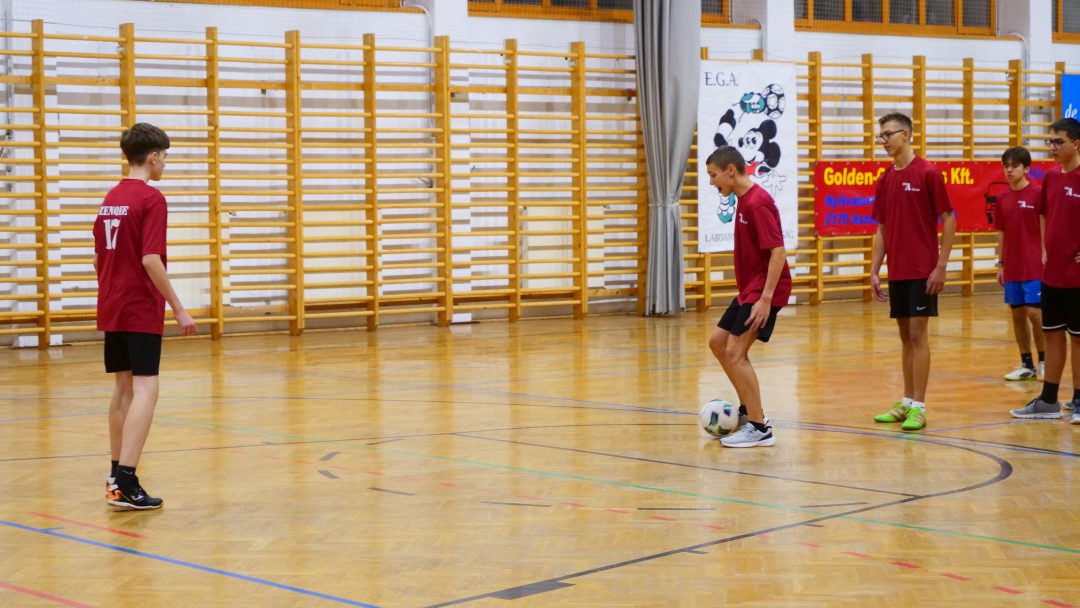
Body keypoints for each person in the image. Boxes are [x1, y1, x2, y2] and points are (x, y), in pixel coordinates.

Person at [93, 123, 197, 510]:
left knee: (123, 388)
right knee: (146, 389)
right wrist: (178, 308)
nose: (165, 164)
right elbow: (151, 259)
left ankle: (115, 478)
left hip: (113, 304)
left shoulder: (112, 197)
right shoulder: (151, 198)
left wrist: (113, 288)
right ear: (152, 157)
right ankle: (126, 481)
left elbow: (98, 258)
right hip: (139, 307)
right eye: (165, 157)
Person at [869, 112, 956, 431]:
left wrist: (941, 265)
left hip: (923, 269)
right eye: (880, 136)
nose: (883, 141)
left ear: (905, 135)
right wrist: (874, 269)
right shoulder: (885, 179)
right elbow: (881, 228)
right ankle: (906, 402)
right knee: (906, 337)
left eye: (888, 134)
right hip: (899, 271)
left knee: (919, 335)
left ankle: (919, 405)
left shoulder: (928, 172)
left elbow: (949, 218)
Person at [705, 145, 792, 448]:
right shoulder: (743, 199)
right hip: (750, 289)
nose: (711, 182)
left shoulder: (758, 202)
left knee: (735, 352)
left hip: (764, 290)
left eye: (713, 175)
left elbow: (778, 252)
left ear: (731, 170)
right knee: (718, 343)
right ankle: (747, 410)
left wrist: (766, 299)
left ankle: (759, 427)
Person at [1010, 118, 1080, 422]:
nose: (1052, 147)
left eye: (1058, 142)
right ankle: (1048, 400)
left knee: (1078, 339)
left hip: (1077, 277)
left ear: (1076, 144)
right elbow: (1043, 214)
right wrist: (1043, 248)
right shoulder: (1051, 178)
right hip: (1052, 274)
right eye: (1049, 141)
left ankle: (1079, 400)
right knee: (1052, 336)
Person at [993, 147, 1045, 381]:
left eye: (1015, 166)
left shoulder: (1038, 193)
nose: (1009, 170)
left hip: (1035, 264)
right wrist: (1001, 264)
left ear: (1026, 168)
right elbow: (1001, 232)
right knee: (1017, 315)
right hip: (1012, 266)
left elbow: (1046, 227)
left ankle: (1044, 361)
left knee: (1035, 313)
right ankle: (1027, 364)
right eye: (1006, 166)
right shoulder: (1002, 198)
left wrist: (1047, 255)